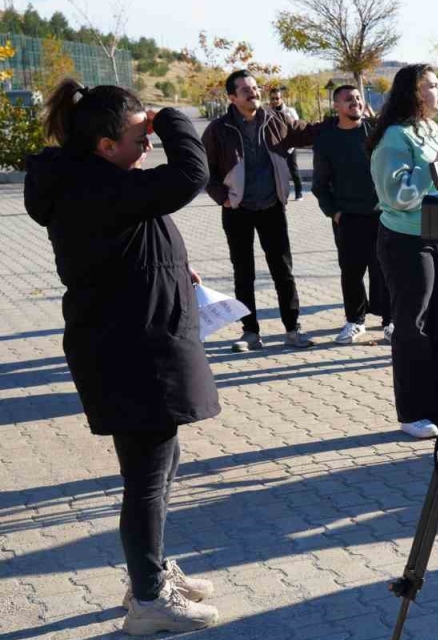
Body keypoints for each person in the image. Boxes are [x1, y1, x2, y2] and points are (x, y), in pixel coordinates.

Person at [25, 80, 220, 634]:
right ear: (105, 145)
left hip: (137, 340)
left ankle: (150, 573)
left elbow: (134, 238)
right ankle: (149, 599)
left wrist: (173, 268)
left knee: (161, 464)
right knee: (146, 478)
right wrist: (173, 117)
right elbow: (192, 175)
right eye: (141, 136)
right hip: (129, 351)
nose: (150, 144)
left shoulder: (102, 179)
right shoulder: (94, 189)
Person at [369, 64, 438, 440]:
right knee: (412, 326)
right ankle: (413, 412)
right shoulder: (395, 138)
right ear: (414, 94)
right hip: (406, 239)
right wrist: (437, 168)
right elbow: (396, 196)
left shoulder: (431, 129)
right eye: (432, 86)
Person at [203, 70, 320, 353]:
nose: (253, 93)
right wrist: (223, 198)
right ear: (232, 97)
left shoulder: (275, 118)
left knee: (283, 272)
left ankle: (292, 330)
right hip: (237, 210)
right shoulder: (218, 130)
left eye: (255, 88)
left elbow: (303, 131)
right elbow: (204, 170)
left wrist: (335, 123)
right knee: (244, 273)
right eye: (245, 90)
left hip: (272, 208)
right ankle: (250, 333)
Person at [313, 84, 391, 345]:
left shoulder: (375, 132)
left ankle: (389, 321)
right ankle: (355, 322)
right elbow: (320, 184)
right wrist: (334, 213)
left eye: (358, 98)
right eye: (348, 99)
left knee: (383, 269)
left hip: (382, 214)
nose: (355, 102)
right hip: (347, 217)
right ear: (336, 106)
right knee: (351, 271)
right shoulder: (327, 140)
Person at [268, 87, 304, 201]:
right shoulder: (268, 111)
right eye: (272, 98)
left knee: (293, 170)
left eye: (277, 98)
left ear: (281, 98)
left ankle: (299, 193)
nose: (275, 101)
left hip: (290, 147)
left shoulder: (290, 111)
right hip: (276, 147)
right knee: (277, 171)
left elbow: (296, 127)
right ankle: (279, 194)